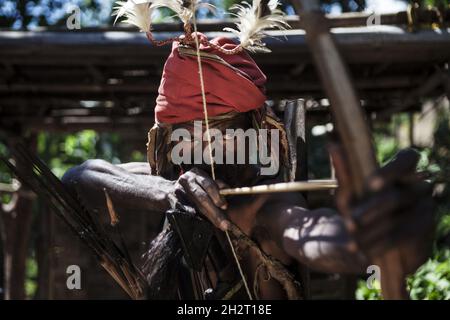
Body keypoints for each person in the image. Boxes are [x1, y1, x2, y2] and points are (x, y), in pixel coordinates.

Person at [61, 0, 436, 299]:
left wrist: (364, 243)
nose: (209, 154)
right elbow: (78, 177)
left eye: (225, 136)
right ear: (167, 143)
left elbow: (310, 233)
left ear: (255, 136)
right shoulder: (169, 182)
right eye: (190, 138)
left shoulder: (267, 209)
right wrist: (165, 193)